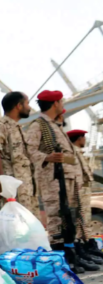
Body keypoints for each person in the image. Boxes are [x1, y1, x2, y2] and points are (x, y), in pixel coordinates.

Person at [26, 92, 100, 272]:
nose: (62, 105)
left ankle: (72, 255)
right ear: (55, 104)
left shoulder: (53, 126)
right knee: (57, 218)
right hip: (53, 180)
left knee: (71, 218)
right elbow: (28, 150)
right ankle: (61, 259)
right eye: (60, 102)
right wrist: (47, 156)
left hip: (69, 179)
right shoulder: (38, 126)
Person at [0, 92, 38, 216]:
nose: (29, 107)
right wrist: (2, 181)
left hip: (26, 188)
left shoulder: (18, 128)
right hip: (13, 188)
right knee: (17, 225)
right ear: (19, 106)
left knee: (29, 224)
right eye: (27, 103)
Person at [67, 129, 103, 263]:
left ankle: (88, 248)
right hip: (79, 192)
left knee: (85, 221)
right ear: (79, 139)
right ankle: (81, 250)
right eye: (83, 137)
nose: (85, 140)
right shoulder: (73, 154)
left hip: (84, 192)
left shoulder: (79, 154)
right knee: (79, 222)